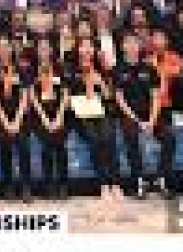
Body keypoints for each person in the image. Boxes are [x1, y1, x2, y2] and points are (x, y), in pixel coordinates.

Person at [113, 33, 173, 198]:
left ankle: (162, 178)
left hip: (150, 113)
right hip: (130, 115)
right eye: (128, 43)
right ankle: (139, 180)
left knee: (169, 137)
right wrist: (137, 121)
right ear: (123, 47)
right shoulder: (117, 69)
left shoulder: (149, 68)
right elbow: (120, 100)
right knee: (131, 136)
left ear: (140, 46)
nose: (132, 46)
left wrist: (152, 120)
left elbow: (156, 96)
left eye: (135, 43)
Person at [67, 37, 121, 202]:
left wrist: (101, 83)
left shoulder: (103, 68)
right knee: (95, 139)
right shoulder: (71, 70)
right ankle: (103, 184)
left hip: (102, 111)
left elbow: (109, 96)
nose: (87, 50)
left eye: (90, 46)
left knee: (109, 138)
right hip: (81, 114)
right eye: (83, 46)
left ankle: (115, 183)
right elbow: (67, 98)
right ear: (78, 50)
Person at [28, 38, 69, 199]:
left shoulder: (60, 67)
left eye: (47, 47)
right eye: (41, 48)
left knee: (60, 144)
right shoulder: (31, 69)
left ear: (51, 50)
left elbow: (65, 94)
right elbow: (32, 96)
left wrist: (59, 116)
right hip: (40, 115)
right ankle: (49, 185)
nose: (44, 50)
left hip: (59, 112)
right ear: (37, 51)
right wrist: (44, 118)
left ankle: (63, 185)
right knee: (46, 144)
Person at [0, 40, 31, 202]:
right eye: (0, 48)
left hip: (19, 117)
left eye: (6, 47)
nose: (4, 50)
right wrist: (6, 122)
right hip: (1, 117)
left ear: (11, 50)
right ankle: (8, 186)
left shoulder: (21, 70)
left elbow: (25, 96)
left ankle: (26, 186)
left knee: (23, 145)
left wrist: (16, 120)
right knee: (4, 143)